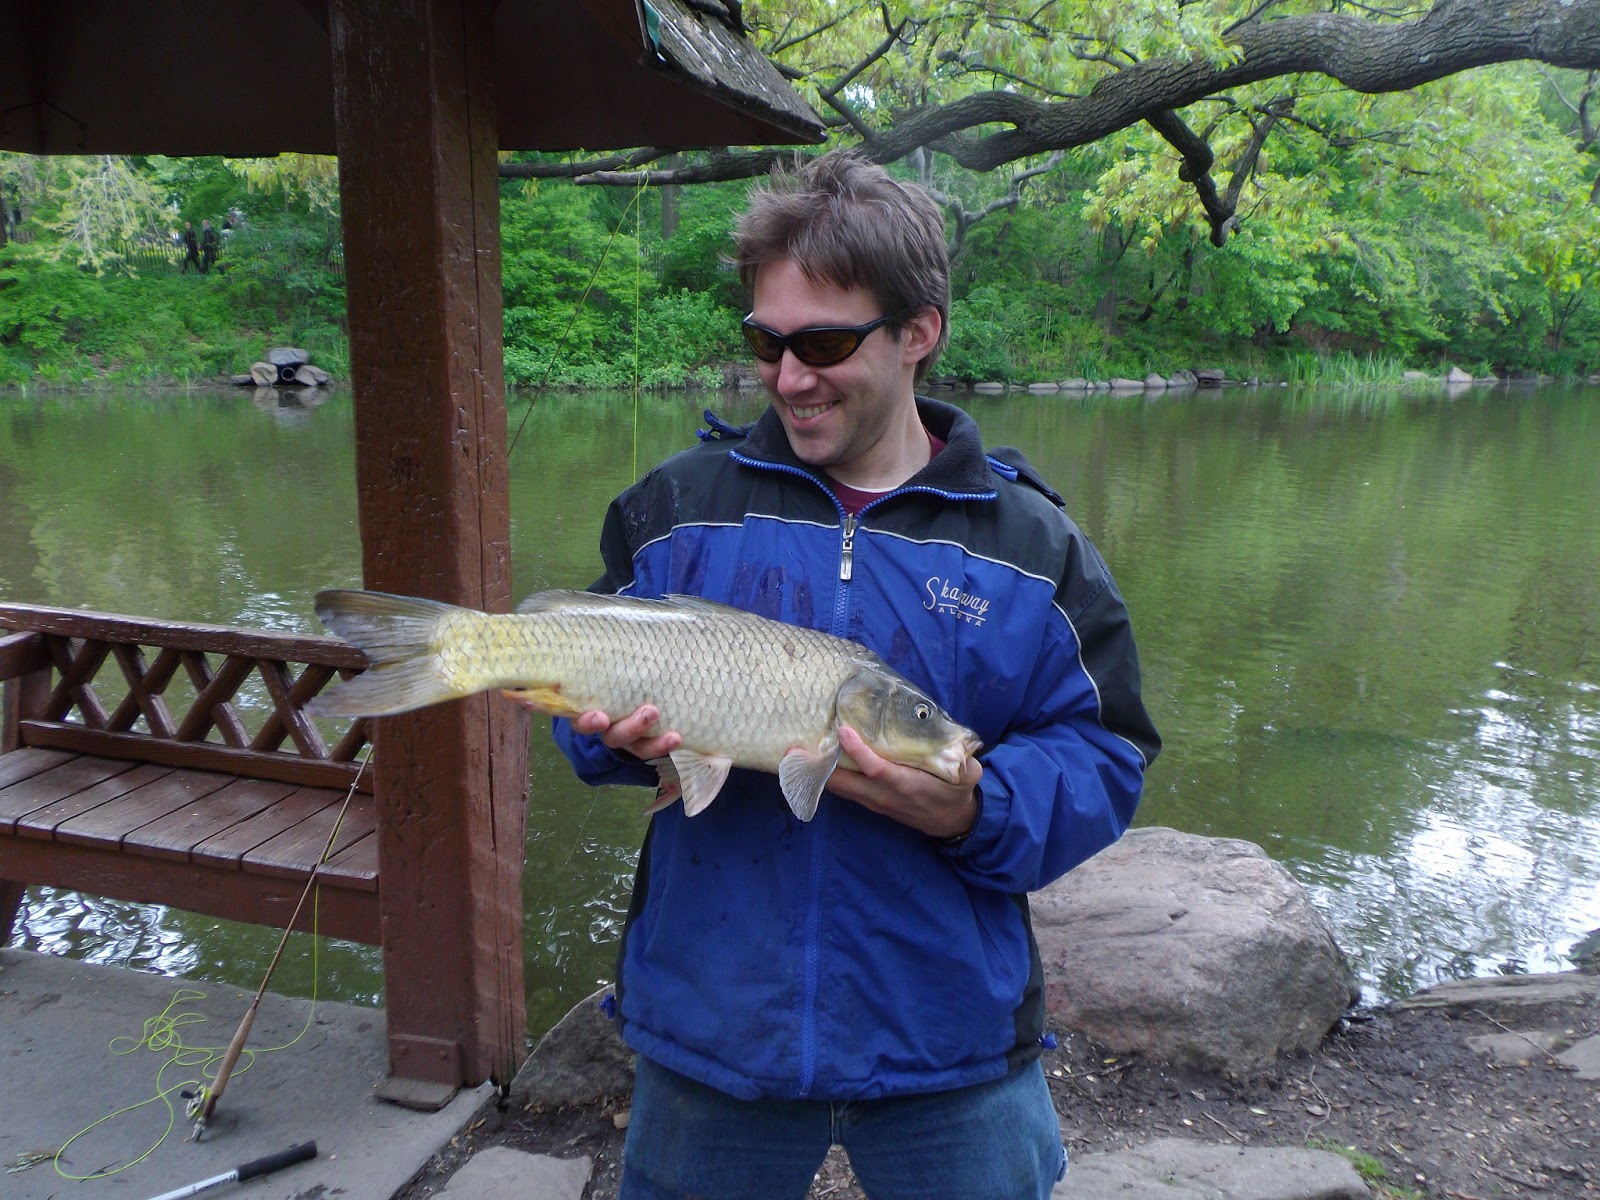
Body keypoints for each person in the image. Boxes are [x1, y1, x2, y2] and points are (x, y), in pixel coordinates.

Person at [549, 150, 1161, 1200]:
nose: (788, 378)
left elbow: (1106, 754)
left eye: (825, 343)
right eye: (765, 342)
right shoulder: (675, 508)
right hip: (712, 1033)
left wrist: (977, 811)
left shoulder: (1031, 547)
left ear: (919, 332)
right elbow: (587, 703)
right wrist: (603, 737)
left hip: (948, 1041)